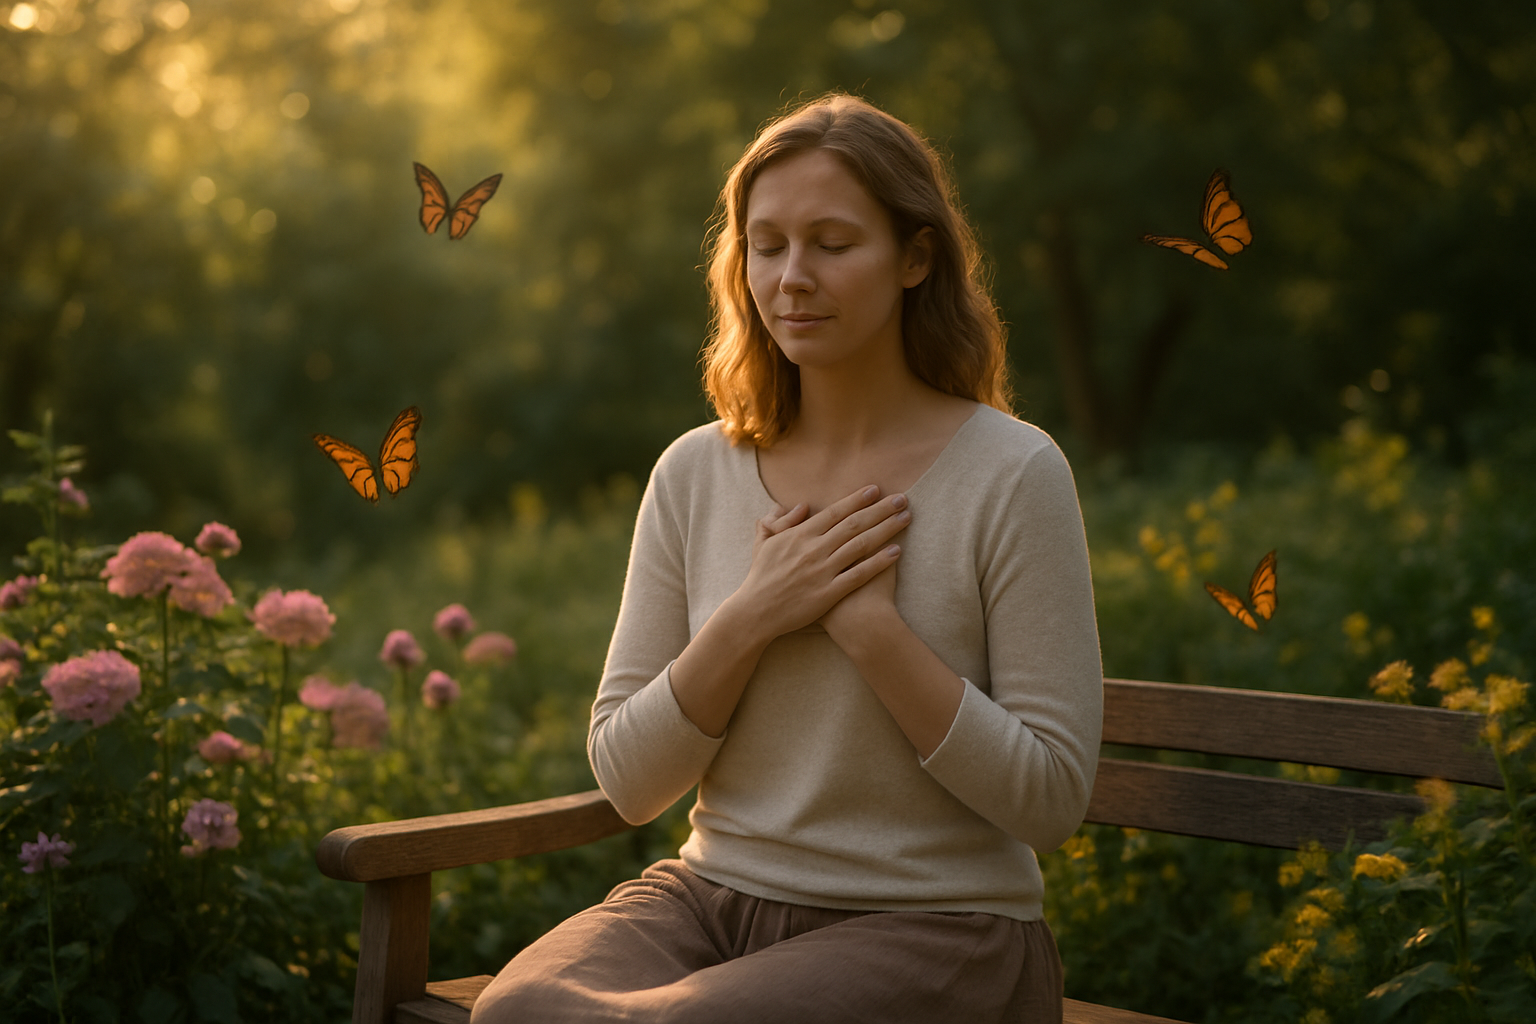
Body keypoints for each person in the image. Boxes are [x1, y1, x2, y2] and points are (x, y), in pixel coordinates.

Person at [471, 92, 1102, 1024]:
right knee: (516, 1012)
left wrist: (868, 626)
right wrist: (756, 610)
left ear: (915, 259)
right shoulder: (695, 472)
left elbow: (1050, 799)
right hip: (711, 899)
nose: (792, 277)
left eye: (832, 244)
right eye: (767, 246)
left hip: (939, 926)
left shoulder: (1014, 473)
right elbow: (628, 778)